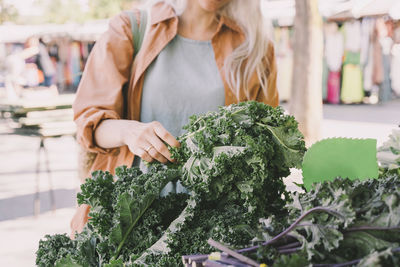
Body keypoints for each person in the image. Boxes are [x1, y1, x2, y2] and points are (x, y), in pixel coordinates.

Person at [70, 0, 278, 238]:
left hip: (211, 228)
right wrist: (129, 132)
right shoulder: (133, 28)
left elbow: (265, 146)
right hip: (128, 220)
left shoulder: (254, 50)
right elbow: (90, 125)